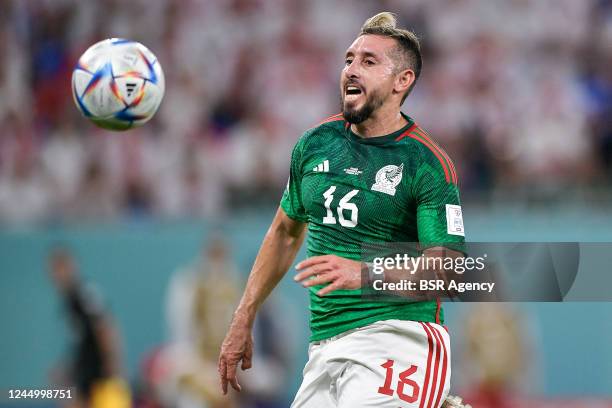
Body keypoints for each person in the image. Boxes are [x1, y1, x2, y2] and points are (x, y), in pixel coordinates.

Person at [219, 12, 469, 408]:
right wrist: (244, 315)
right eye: (349, 59)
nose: (352, 70)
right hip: (325, 347)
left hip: (401, 340)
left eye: (369, 62)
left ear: (402, 81)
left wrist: (366, 273)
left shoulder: (426, 163)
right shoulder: (315, 144)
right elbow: (285, 232)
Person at [48, 246, 130, 408]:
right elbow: (81, 340)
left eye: (60, 268)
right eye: (54, 270)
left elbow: (106, 326)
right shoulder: (69, 300)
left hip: (99, 374)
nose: (57, 275)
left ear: (71, 267)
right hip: (85, 372)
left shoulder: (85, 293)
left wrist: (114, 364)